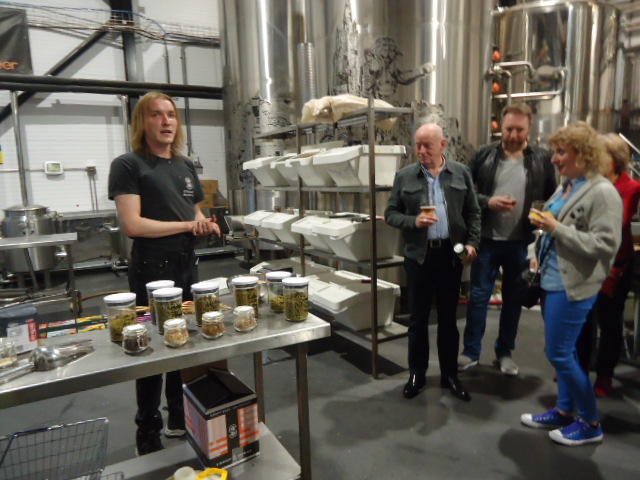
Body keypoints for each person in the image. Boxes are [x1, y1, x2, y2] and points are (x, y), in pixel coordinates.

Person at [108, 91, 220, 455]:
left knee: (182, 340)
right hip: (150, 269)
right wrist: (188, 225)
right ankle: (147, 427)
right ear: (142, 123)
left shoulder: (185, 166)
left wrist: (204, 224)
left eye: (171, 114)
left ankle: (177, 416)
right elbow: (133, 225)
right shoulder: (128, 165)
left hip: (186, 265)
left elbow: (194, 212)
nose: (166, 121)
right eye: (156, 115)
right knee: (149, 347)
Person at [521, 122, 621, 446]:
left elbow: (605, 245)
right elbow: (551, 226)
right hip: (552, 279)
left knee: (559, 353)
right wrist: (537, 249)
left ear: (583, 154)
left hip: (573, 284)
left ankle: (590, 422)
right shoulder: (567, 185)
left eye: (561, 152)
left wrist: (556, 229)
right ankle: (564, 411)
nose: (553, 159)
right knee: (564, 352)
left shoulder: (602, 192)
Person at [459, 103, 557, 376]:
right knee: (479, 298)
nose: (513, 135)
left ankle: (504, 353)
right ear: (501, 127)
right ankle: (470, 352)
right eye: (509, 129)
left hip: (521, 242)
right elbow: (464, 191)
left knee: (514, 300)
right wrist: (488, 202)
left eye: (519, 130)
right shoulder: (484, 155)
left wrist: (541, 229)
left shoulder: (542, 159)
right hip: (486, 239)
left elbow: (552, 198)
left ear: (529, 129)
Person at [385, 122, 480, 401]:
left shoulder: (460, 173)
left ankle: (450, 374)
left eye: (427, 145)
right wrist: (414, 221)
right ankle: (417, 373)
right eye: (418, 145)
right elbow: (390, 214)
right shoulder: (405, 176)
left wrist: (472, 244)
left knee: (449, 319)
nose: (421, 151)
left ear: (443, 145)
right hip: (419, 256)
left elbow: (473, 212)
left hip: (451, 255)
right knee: (418, 319)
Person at [576, 133, 640, 397]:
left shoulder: (631, 187)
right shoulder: (590, 183)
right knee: (583, 320)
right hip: (589, 261)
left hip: (615, 265)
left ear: (613, 159)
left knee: (610, 322)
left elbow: (619, 222)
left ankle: (604, 377)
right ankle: (578, 370)